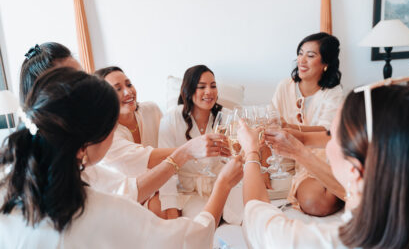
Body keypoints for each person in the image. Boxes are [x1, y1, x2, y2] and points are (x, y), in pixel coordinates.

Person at [0, 68, 243, 248]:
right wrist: (223, 184)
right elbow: (189, 239)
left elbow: (126, 190)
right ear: (95, 137)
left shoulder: (11, 193)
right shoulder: (104, 211)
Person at [238, 84, 409, 248]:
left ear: (354, 170)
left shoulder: (313, 242)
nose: (326, 144)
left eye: (331, 136)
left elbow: (256, 216)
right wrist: (298, 150)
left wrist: (251, 153)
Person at [95, 66, 231, 219]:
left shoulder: (150, 111)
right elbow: (152, 158)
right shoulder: (106, 137)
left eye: (129, 84)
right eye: (117, 89)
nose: (128, 92)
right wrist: (191, 149)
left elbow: (168, 152)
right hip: (132, 196)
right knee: (161, 208)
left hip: (162, 185)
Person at [272, 32, 344, 216]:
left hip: (327, 156)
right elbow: (270, 127)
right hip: (295, 161)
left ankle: (343, 193)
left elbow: (325, 132)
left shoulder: (333, 92)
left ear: (325, 64)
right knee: (316, 202)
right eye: (300, 53)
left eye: (311, 56)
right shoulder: (284, 87)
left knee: (325, 199)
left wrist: (287, 126)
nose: (302, 60)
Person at [158, 65, 241, 224]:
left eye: (213, 86)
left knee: (244, 219)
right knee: (200, 228)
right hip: (192, 194)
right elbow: (166, 170)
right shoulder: (170, 120)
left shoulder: (227, 117)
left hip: (227, 187)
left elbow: (240, 156)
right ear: (188, 90)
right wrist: (171, 212)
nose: (209, 91)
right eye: (201, 87)